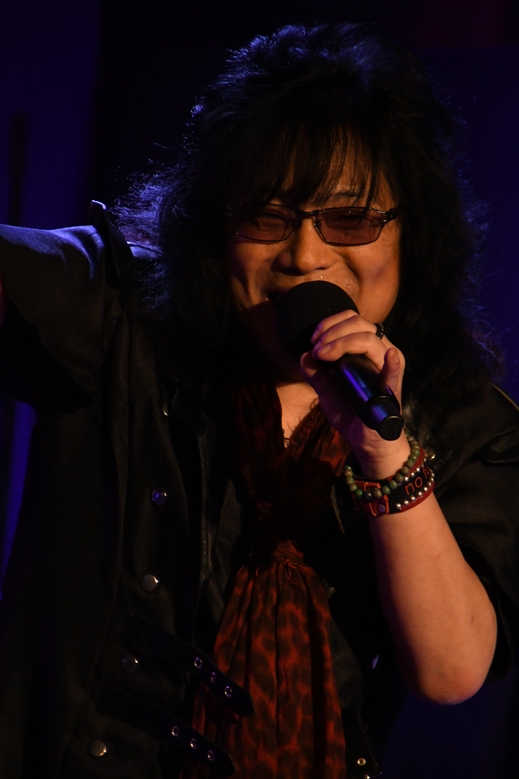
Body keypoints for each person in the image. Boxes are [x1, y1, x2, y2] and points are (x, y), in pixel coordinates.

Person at [0, 21, 518, 779]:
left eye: (349, 218)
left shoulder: (463, 418)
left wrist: (387, 457)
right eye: (267, 217)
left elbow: (450, 671)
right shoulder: (121, 316)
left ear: (415, 231)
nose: (304, 255)